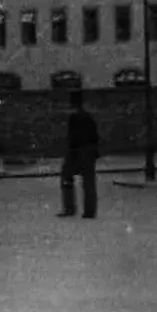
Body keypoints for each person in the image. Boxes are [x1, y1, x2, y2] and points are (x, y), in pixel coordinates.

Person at [59, 90, 100, 218]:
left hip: (78, 150)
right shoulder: (87, 118)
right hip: (87, 150)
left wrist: (72, 149)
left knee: (68, 177)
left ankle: (70, 207)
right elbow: (93, 135)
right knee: (88, 182)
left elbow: (74, 137)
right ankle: (89, 211)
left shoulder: (75, 118)